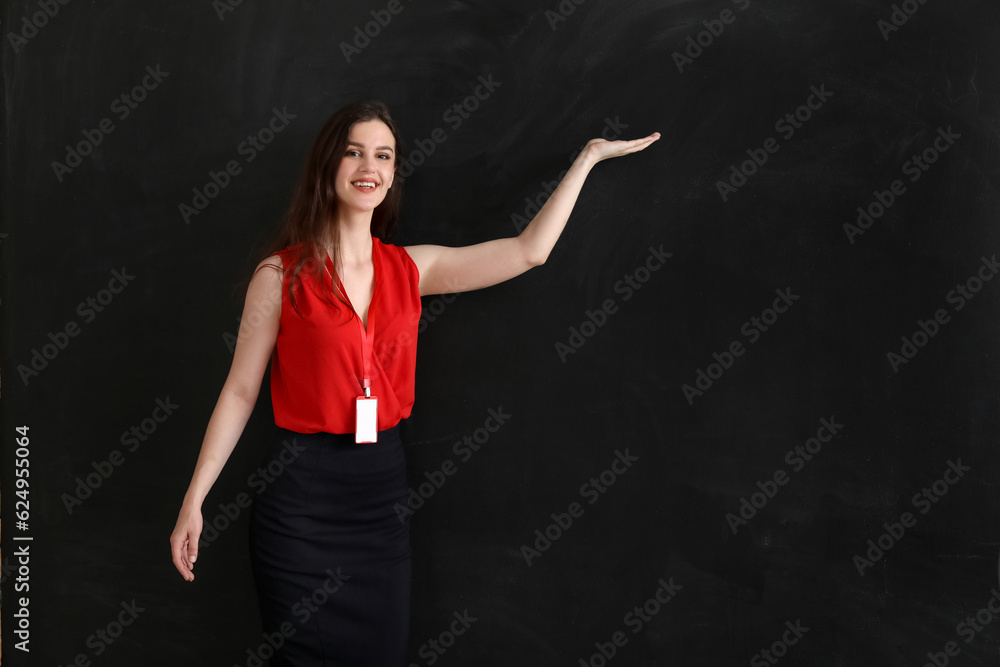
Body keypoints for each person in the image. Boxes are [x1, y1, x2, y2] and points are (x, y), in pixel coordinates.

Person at [169, 99, 659, 665]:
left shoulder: (413, 268)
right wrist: (195, 499)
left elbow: (530, 252)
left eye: (383, 155)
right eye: (353, 152)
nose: (368, 167)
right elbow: (240, 391)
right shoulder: (280, 276)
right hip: (299, 499)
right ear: (330, 166)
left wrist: (589, 159)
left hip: (379, 496)